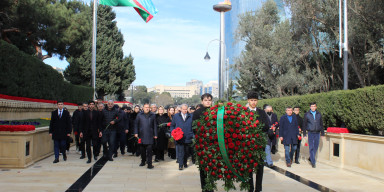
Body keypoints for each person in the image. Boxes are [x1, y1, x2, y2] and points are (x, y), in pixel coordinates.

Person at [247, 91, 269, 192]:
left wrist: (256, 126)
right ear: (248, 101)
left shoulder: (261, 112)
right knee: (249, 168)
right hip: (247, 145)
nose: (253, 102)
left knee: (260, 167)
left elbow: (266, 125)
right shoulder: (243, 112)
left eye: (255, 100)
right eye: (251, 100)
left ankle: (258, 189)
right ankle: (250, 188)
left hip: (259, 144)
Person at [192, 93, 213, 192]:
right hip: (202, 143)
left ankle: (211, 186)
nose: (208, 102)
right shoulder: (197, 113)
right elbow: (194, 128)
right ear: (202, 101)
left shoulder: (215, 111)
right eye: (206, 100)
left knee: (213, 166)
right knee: (203, 167)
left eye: (209, 100)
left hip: (214, 144)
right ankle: (204, 187)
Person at [170, 104, 194, 170]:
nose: (185, 111)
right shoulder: (176, 116)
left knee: (186, 152)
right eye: (183, 109)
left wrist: (192, 134)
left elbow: (193, 126)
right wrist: (173, 132)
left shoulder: (190, 116)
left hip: (187, 137)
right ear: (181, 109)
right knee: (180, 151)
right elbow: (172, 125)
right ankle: (180, 165)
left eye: (186, 109)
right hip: (179, 137)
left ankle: (185, 162)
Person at [134, 103, 158, 169]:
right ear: (143, 108)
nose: (147, 108)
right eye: (145, 107)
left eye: (148, 107)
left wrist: (155, 134)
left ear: (149, 108)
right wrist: (136, 132)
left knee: (150, 151)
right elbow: (136, 124)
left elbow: (155, 125)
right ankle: (143, 161)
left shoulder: (153, 115)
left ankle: (149, 164)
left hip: (150, 135)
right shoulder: (139, 115)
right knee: (142, 150)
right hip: (141, 135)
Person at [303, 102, 324, 168]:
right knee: (311, 147)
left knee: (316, 147)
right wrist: (304, 133)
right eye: (312, 106)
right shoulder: (307, 114)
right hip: (310, 132)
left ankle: (311, 157)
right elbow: (304, 124)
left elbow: (321, 124)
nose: (313, 107)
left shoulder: (319, 114)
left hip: (317, 133)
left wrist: (322, 133)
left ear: (316, 107)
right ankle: (313, 162)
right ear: (310, 107)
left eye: (314, 106)